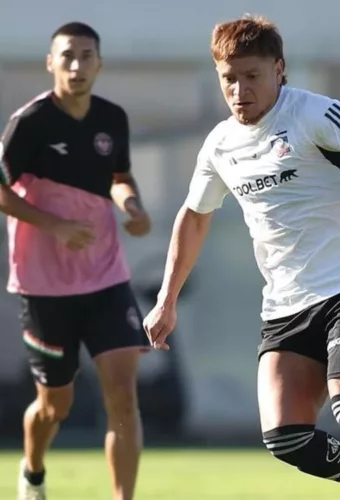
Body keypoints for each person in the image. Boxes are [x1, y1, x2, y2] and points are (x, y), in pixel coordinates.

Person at [141, 16, 340, 500]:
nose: (239, 90)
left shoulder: (312, 114)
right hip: (285, 305)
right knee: (285, 438)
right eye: (228, 78)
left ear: (279, 70)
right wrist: (166, 300)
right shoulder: (219, 144)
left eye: (251, 76)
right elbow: (193, 217)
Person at [1, 22, 152, 500]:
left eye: (87, 56)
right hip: (45, 287)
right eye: (67, 56)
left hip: (107, 277)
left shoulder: (113, 118)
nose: (76, 65)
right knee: (54, 405)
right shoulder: (30, 123)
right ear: (51, 63)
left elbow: (119, 175)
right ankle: (32, 471)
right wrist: (55, 225)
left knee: (123, 395)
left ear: (99, 64)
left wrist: (130, 205)